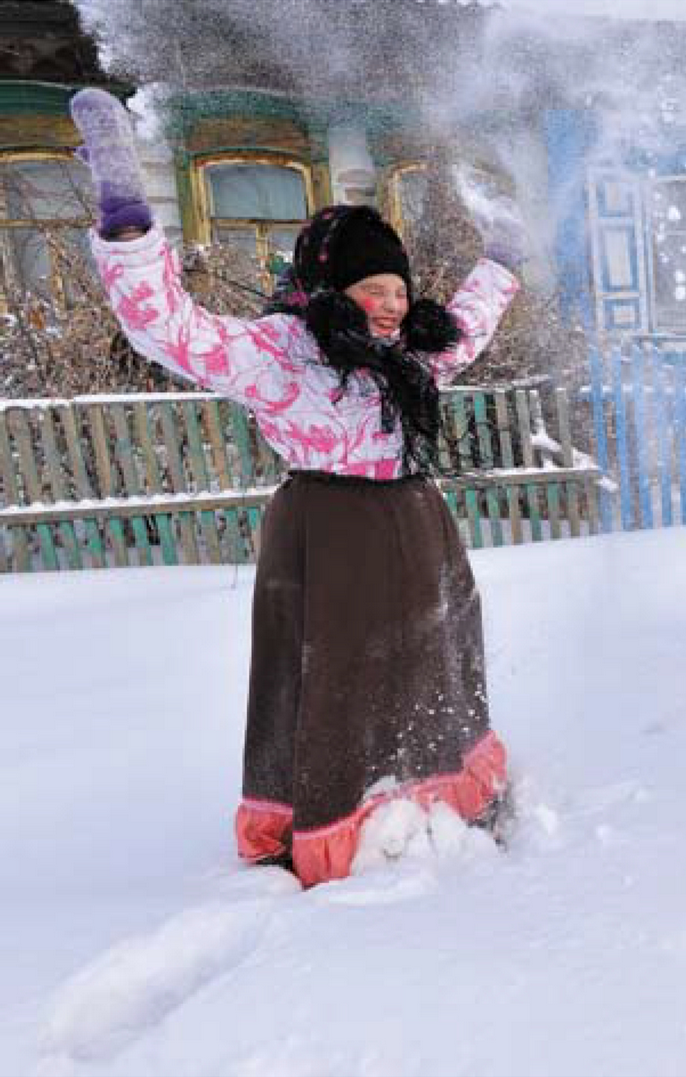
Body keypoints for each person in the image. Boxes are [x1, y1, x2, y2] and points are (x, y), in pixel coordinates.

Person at [71, 88, 529, 887]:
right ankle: (334, 823)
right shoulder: (277, 352)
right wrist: (127, 223)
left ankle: (439, 796)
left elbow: (470, 326)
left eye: (397, 289)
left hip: (419, 527)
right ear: (328, 287)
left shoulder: (409, 357)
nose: (390, 305)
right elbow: (167, 327)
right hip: (329, 535)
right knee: (334, 671)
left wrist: (506, 254)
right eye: (371, 290)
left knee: (434, 660)